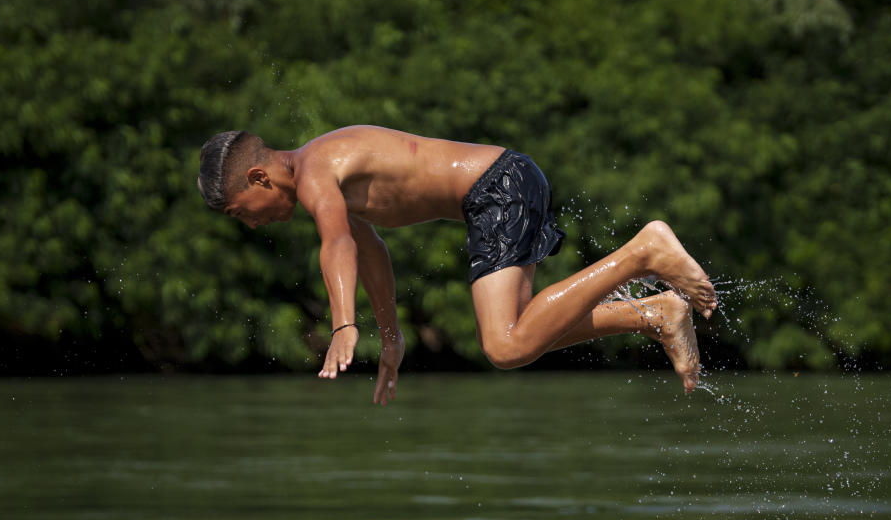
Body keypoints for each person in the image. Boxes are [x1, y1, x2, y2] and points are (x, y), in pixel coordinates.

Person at [198, 125, 717, 404]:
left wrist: (343, 324)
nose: (250, 224)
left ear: (260, 178)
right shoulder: (325, 177)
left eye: (240, 213)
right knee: (524, 336)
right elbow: (371, 251)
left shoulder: (314, 173)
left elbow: (337, 245)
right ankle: (653, 315)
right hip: (505, 183)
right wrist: (391, 335)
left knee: (504, 345)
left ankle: (643, 252)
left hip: (495, 190)